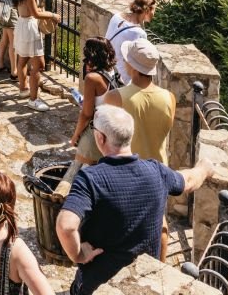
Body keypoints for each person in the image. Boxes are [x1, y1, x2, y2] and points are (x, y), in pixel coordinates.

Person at [56, 105, 214, 295]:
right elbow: (188, 181)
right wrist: (204, 168)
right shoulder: (157, 171)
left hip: (100, 286)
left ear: (101, 138)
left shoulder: (90, 179)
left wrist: (79, 255)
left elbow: (66, 226)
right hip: (144, 284)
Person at [104, 37, 177, 260]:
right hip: (157, 170)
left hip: (125, 171)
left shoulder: (115, 97)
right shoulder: (169, 98)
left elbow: (105, 136)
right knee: (159, 224)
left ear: (132, 66)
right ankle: (160, 268)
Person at [11, 0, 59, 111]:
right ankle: (33, 99)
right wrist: (52, 15)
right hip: (30, 28)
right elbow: (36, 14)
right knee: (39, 66)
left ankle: (23, 89)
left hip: (21, 25)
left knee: (22, 60)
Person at [69, 38, 117, 164]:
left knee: (78, 171)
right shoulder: (113, 72)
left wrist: (75, 136)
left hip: (95, 134)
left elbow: (86, 114)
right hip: (112, 133)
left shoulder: (92, 78)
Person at [106, 0, 156, 84]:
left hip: (109, 67)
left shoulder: (117, 16)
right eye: (153, 10)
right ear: (146, 11)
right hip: (124, 76)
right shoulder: (139, 33)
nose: (154, 13)